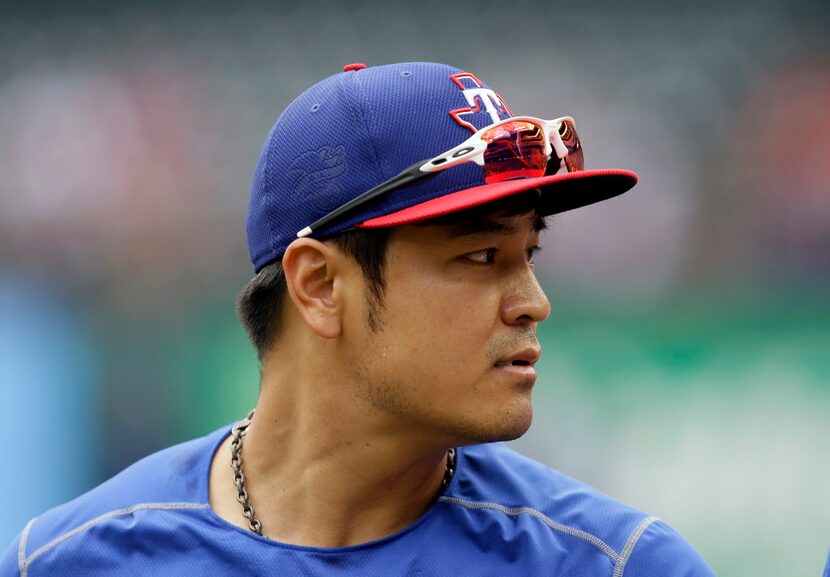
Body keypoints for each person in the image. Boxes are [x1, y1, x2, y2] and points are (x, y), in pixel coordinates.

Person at [1, 61, 716, 576]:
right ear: (317, 285)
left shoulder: (616, 563)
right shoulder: (71, 559)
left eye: (528, 252)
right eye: (479, 256)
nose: (532, 300)